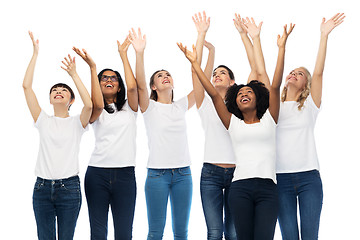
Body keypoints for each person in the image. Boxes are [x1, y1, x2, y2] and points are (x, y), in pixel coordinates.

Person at [178, 16, 293, 240]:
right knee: (217, 232)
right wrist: (195, 62)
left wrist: (279, 47)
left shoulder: (269, 119)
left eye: (248, 92)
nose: (244, 94)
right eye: (241, 94)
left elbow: (272, 83)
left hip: (262, 185)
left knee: (240, 234)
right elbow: (211, 93)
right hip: (229, 180)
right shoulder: (232, 123)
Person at [276, 13, 345, 240]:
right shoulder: (273, 105)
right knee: (289, 237)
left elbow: (318, 72)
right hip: (280, 179)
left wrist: (323, 35)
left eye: (300, 74)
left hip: (309, 179)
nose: (294, 74)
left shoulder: (309, 106)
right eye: (292, 72)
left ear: (305, 83)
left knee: (310, 237)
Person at [192, 12, 258, 240]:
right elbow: (195, 70)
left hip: (238, 173)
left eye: (222, 73)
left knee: (233, 232)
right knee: (214, 232)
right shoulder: (204, 103)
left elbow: (256, 71)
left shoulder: (242, 103)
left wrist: (246, 36)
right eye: (214, 74)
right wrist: (201, 35)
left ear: (232, 81)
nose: (217, 75)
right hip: (210, 172)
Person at [23, 31, 92, 240]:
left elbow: (89, 104)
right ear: (51, 99)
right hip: (42, 188)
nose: (58, 91)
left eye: (64, 90)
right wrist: (35, 54)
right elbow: (26, 87)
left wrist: (73, 75)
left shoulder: (77, 122)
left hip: (69, 189)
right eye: (55, 90)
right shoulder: (42, 120)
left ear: (71, 100)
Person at [128, 27, 195, 240]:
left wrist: (195, 59)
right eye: (160, 76)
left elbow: (202, 87)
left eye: (168, 74)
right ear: (154, 86)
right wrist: (140, 53)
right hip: (157, 175)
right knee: (155, 232)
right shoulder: (149, 108)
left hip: (184, 174)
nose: (165, 77)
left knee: (181, 232)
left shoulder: (181, 105)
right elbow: (139, 86)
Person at [73, 33, 138, 240]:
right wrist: (92, 68)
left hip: (125, 175)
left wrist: (123, 55)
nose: (109, 80)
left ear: (119, 86)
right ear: (99, 83)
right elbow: (98, 104)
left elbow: (134, 87)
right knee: (98, 233)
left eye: (113, 78)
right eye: (104, 78)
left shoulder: (130, 107)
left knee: (124, 233)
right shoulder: (95, 109)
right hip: (97, 174)